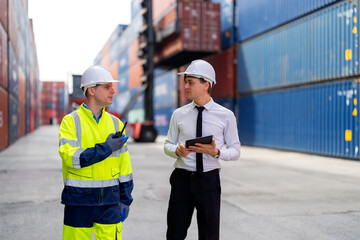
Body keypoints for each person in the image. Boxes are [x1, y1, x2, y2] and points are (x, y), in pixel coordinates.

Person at [164, 60, 241, 240]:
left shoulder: (226, 116)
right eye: (185, 82)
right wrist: (177, 151)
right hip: (182, 180)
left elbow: (236, 151)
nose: (186, 86)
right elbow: (167, 144)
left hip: (209, 182)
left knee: (209, 236)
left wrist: (216, 153)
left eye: (190, 82)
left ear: (206, 84)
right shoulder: (179, 114)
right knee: (175, 234)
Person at [59, 65, 133, 239]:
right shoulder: (70, 122)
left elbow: (125, 166)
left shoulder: (116, 123)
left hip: (110, 201)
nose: (113, 91)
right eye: (107, 87)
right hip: (78, 202)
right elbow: (73, 158)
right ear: (91, 90)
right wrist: (106, 148)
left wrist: (125, 199)